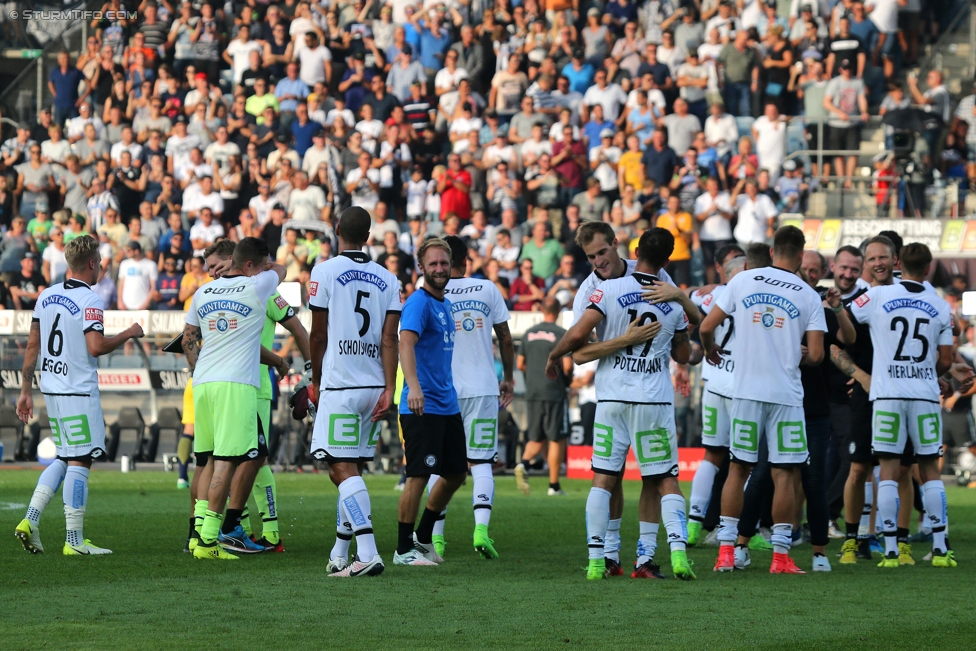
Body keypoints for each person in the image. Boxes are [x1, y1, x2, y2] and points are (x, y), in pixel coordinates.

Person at [568, 228, 695, 581]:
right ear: (668, 260)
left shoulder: (605, 289)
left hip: (611, 397)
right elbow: (684, 353)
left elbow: (579, 342)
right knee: (662, 479)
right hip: (653, 399)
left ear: (634, 250)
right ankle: (663, 556)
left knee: (604, 478)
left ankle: (598, 559)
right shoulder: (672, 298)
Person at [699, 225, 827, 574]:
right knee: (785, 474)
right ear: (801, 256)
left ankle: (726, 551)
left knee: (738, 468)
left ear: (772, 252)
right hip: (785, 394)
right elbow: (816, 355)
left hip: (745, 391)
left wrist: (711, 351)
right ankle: (781, 557)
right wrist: (787, 351)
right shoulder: (808, 294)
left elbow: (707, 327)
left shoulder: (742, 280)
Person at [15, 235, 144, 555]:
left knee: (64, 455)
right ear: (90, 264)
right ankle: (74, 542)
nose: (100, 267)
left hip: (52, 388)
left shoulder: (45, 295)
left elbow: (33, 344)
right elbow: (96, 347)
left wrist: (25, 391)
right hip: (78, 389)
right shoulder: (91, 299)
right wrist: (129, 332)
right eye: (99, 262)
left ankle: (30, 520)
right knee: (81, 458)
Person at [306, 207, 400, 575]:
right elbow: (389, 338)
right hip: (375, 385)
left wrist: (315, 379)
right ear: (369, 235)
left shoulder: (325, 270)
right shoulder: (389, 279)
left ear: (337, 229)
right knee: (352, 468)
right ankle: (340, 553)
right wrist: (390, 388)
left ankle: (368, 552)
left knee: (340, 469)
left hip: (341, 383)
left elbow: (318, 333)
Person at [849, 242, 956, 568]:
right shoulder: (939, 306)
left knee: (889, 471)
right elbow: (947, 359)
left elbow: (849, 314)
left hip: (887, 395)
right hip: (924, 395)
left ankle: (892, 549)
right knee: (929, 471)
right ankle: (940, 548)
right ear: (927, 269)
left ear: (897, 264)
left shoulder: (879, 295)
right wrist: (927, 372)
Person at [181, 238, 287, 560]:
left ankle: (198, 535)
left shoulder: (202, 291)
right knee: (226, 464)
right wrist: (267, 266)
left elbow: (187, 340)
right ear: (254, 265)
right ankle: (211, 541)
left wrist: (199, 370)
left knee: (206, 460)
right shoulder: (258, 286)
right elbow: (281, 269)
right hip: (236, 384)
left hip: (203, 383)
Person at [424, 236, 515, 560]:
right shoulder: (487, 288)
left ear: (446, 261)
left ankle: (436, 539)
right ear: (467, 259)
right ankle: (481, 530)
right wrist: (508, 378)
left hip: (444, 390)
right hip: (482, 387)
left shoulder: (433, 293)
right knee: (481, 462)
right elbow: (505, 337)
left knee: (438, 463)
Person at [394, 238, 467, 566]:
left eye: (444, 263)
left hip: (446, 403)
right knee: (418, 476)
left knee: (455, 474)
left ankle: (424, 538)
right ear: (421, 268)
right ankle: (402, 549)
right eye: (433, 264)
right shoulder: (419, 303)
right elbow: (405, 344)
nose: (439, 269)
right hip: (421, 405)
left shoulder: (445, 303)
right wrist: (413, 388)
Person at [685, 244, 746, 545]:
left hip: (714, 384)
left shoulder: (708, 296)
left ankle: (693, 525)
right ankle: (734, 530)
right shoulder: (753, 296)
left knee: (711, 456)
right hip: (743, 388)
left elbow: (689, 296)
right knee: (742, 462)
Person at [517, 297, 572, 495]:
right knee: (556, 438)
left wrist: (533, 376)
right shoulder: (561, 334)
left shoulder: (528, 333)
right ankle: (554, 486)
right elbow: (567, 366)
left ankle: (523, 464)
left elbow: (520, 364)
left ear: (541, 309)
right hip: (554, 391)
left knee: (536, 435)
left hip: (533, 391)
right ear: (558, 310)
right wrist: (567, 380)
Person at [117, 242, 158, 311]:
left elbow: (153, 287)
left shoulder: (151, 265)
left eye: (129, 250)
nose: (126, 252)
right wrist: (120, 301)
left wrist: (146, 304)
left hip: (143, 306)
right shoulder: (124, 264)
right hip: (125, 306)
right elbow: (121, 285)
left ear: (136, 251)